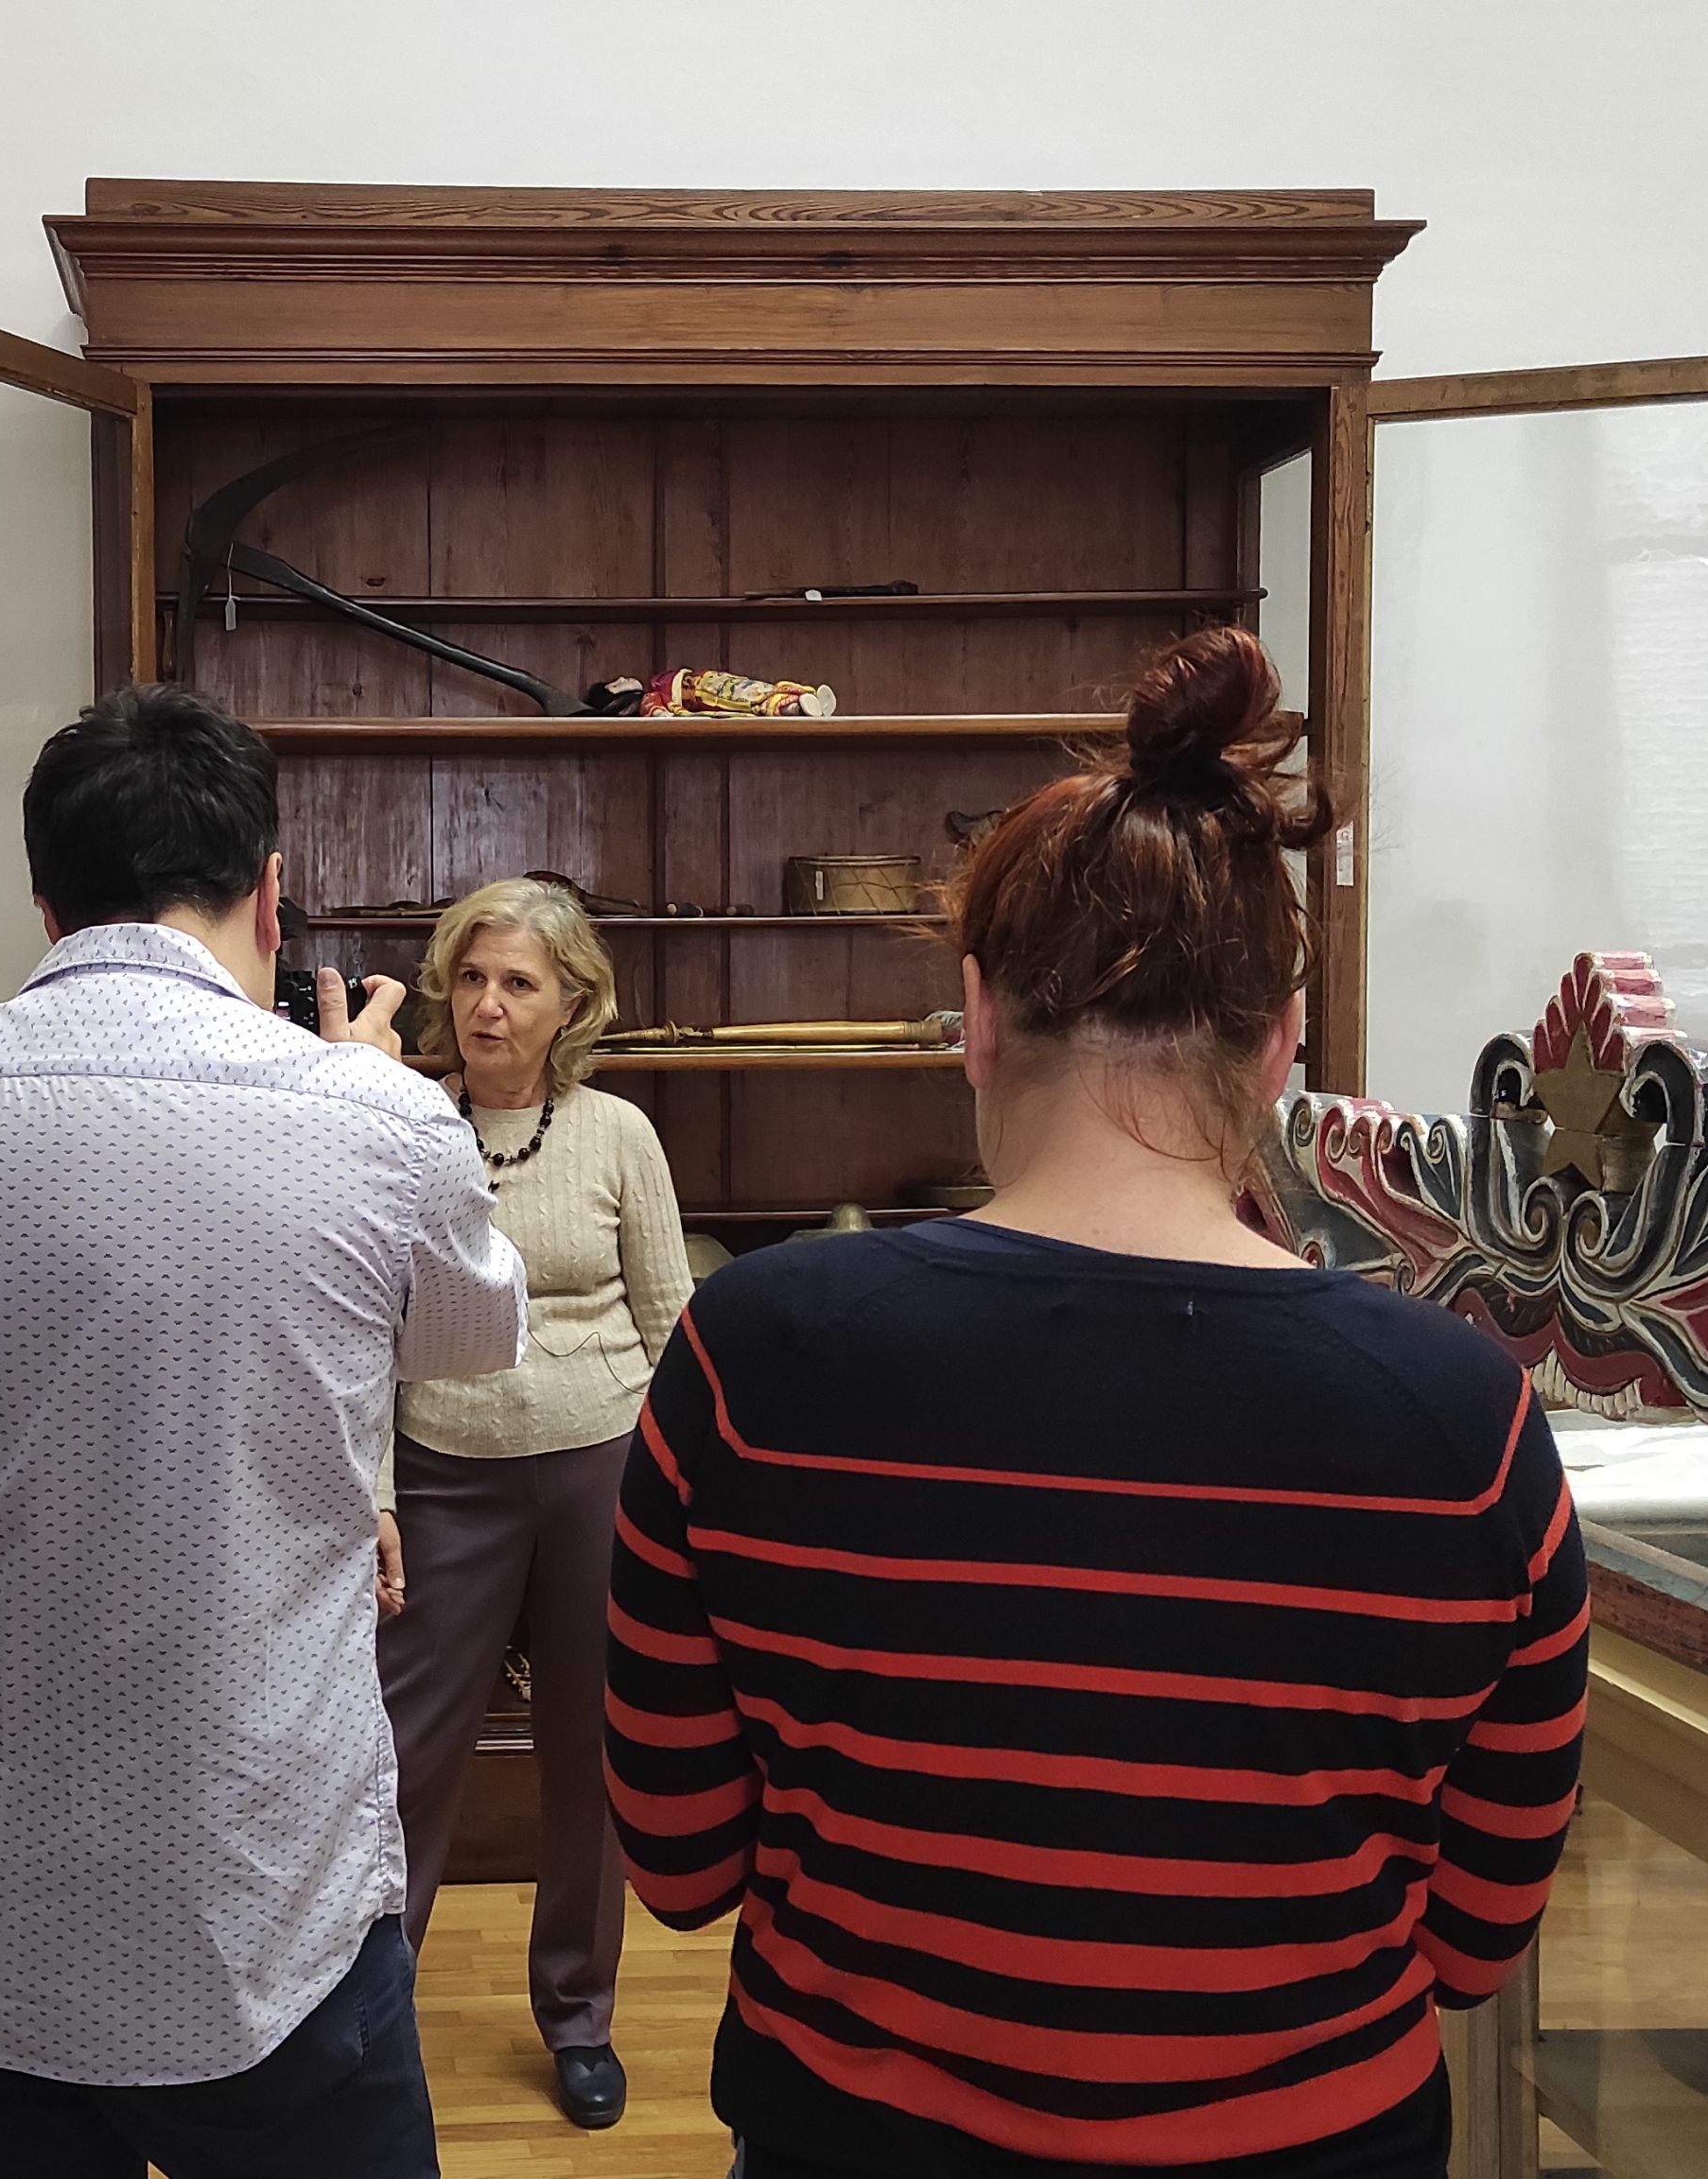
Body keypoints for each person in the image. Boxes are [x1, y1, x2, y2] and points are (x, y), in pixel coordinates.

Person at [605, 625, 1590, 2177]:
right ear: (1276, 1046)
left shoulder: (751, 1354)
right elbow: (1474, 1934)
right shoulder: (1463, 1420)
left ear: (980, 1015)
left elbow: (675, 1854)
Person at [0, 683, 528, 2178]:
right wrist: (378, 1097)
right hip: (258, 1889)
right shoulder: (372, 1122)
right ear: (273, 894)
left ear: (43, 895)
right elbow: (478, 1339)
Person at [377, 877, 690, 2131]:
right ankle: (366, 2015)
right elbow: (364, 1329)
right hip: (443, 1469)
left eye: (518, 983)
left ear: (572, 1005)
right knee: (405, 1759)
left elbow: (670, 1326)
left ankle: (579, 2016)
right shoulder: (397, 1123)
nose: (488, 1004)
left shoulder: (619, 1135)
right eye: (470, 978)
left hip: (597, 1469)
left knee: (588, 1756)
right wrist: (375, 1491)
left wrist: (683, 1510)